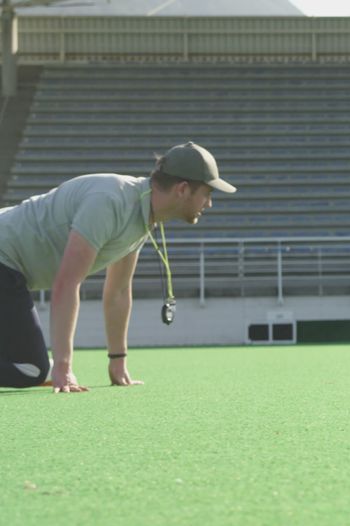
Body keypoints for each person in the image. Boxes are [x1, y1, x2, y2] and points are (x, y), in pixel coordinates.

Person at [0, 142, 235, 393]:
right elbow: (66, 284)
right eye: (207, 193)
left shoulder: (142, 216)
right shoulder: (110, 201)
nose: (209, 203)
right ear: (183, 189)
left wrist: (118, 361)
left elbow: (119, 291)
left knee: (40, 368)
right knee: (33, 370)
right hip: (4, 261)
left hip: (10, 273)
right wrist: (64, 366)